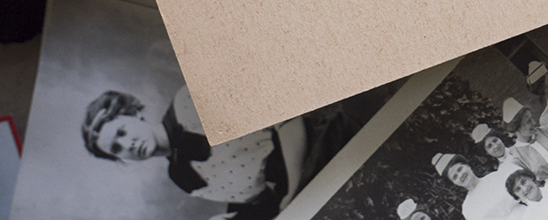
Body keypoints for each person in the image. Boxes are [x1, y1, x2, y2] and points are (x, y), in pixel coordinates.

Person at [82, 86, 359, 220]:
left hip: (324, 145)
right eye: (117, 149)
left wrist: (294, 194)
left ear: (134, 113)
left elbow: (287, 122)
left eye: (121, 132)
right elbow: (261, 201)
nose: (128, 144)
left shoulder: (189, 102)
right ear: (122, 160)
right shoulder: (180, 176)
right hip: (297, 192)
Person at [501, 98, 548, 180]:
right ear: (517, 128)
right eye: (528, 121)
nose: (534, 123)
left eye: (531, 118)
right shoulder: (518, 159)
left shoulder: (546, 130)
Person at [432, 152, 522, 220]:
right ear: (454, 183)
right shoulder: (467, 208)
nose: (460, 175)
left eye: (460, 169)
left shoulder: (496, 177)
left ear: (467, 165)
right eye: (455, 177)